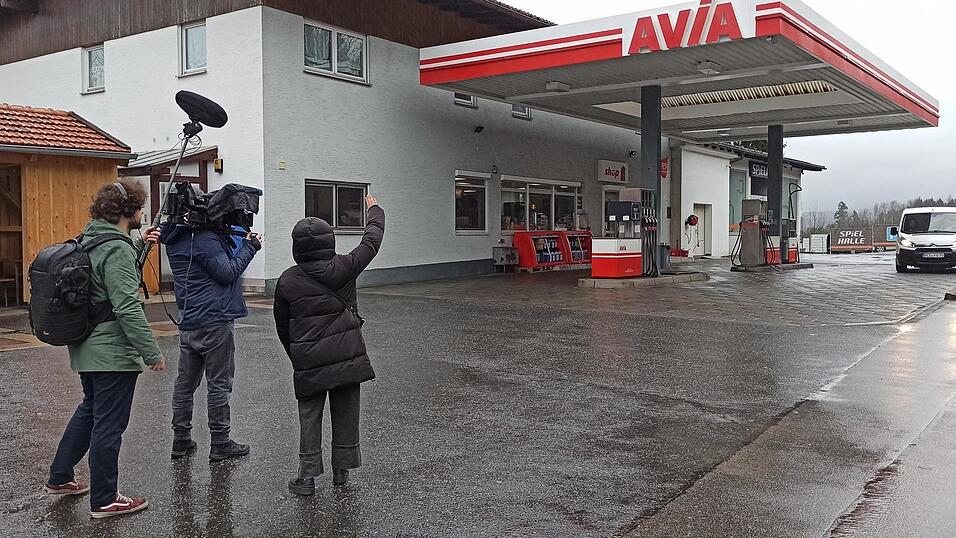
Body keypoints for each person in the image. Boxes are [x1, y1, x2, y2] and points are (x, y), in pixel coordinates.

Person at [44, 180, 165, 519]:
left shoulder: (92, 237)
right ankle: (105, 499)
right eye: (140, 208)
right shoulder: (117, 248)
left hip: (87, 344)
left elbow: (106, 280)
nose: (143, 213)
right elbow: (125, 304)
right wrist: (150, 351)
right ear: (127, 211)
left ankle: (60, 477)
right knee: (109, 424)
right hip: (110, 350)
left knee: (90, 410)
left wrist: (140, 246)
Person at [274, 195, 384, 495]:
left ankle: (307, 477)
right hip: (346, 355)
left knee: (309, 415)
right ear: (330, 242)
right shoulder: (346, 267)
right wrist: (373, 210)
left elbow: (283, 327)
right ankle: (341, 472)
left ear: (297, 246)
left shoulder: (286, 281)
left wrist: (297, 354)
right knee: (346, 410)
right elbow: (372, 241)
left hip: (308, 360)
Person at [158, 213, 261, 461]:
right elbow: (227, 272)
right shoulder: (205, 239)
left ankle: (181, 440)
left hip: (189, 319)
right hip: (215, 319)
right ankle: (220, 442)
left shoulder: (174, 237)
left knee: (185, 384)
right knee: (219, 382)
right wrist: (251, 247)